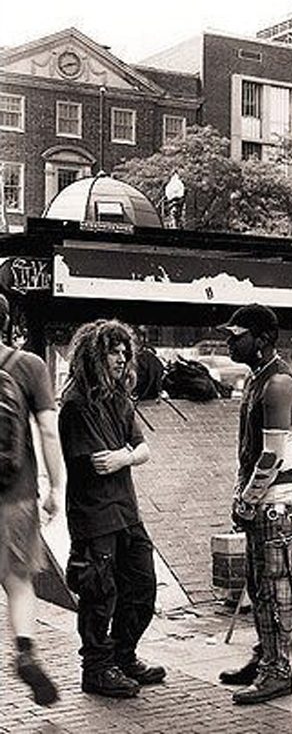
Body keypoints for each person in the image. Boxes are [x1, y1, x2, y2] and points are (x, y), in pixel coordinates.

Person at [217, 304, 292, 704]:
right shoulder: (261, 378)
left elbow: (273, 455)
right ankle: (266, 659)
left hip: (275, 503)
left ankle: (278, 670)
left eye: (236, 334)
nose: (229, 340)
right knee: (261, 586)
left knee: (274, 587)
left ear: (260, 340)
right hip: (269, 501)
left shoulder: (276, 385)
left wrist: (246, 500)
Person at [59, 319, 164, 699]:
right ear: (94, 355)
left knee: (142, 586)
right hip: (95, 516)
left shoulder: (120, 399)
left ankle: (122, 654)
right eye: (113, 351)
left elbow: (140, 450)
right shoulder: (76, 405)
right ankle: (97, 667)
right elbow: (99, 461)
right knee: (99, 594)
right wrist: (127, 455)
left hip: (126, 511)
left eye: (124, 351)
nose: (121, 358)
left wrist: (125, 456)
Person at [0, 295, 64, 706]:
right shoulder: (28, 366)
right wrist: (57, 487)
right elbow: (48, 431)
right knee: (19, 582)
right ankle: (25, 650)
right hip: (16, 497)